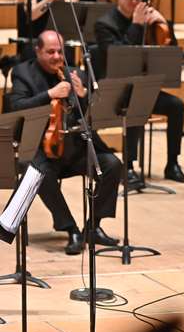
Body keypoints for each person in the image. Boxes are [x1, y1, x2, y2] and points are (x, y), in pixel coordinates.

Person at [8, 31, 121, 255]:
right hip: (42, 151)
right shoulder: (23, 73)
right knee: (37, 173)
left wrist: (84, 95)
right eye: (50, 52)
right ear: (38, 51)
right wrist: (49, 93)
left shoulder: (73, 73)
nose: (57, 57)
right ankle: (71, 229)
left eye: (60, 51)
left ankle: (93, 226)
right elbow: (16, 106)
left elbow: (90, 117)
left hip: (73, 149)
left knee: (112, 164)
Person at [94, 0, 184, 185]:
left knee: (176, 106)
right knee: (138, 103)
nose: (135, 2)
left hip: (141, 88)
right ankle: (127, 166)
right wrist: (136, 25)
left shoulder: (149, 21)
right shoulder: (105, 24)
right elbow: (120, 59)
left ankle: (172, 163)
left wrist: (164, 23)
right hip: (113, 92)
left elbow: (169, 52)